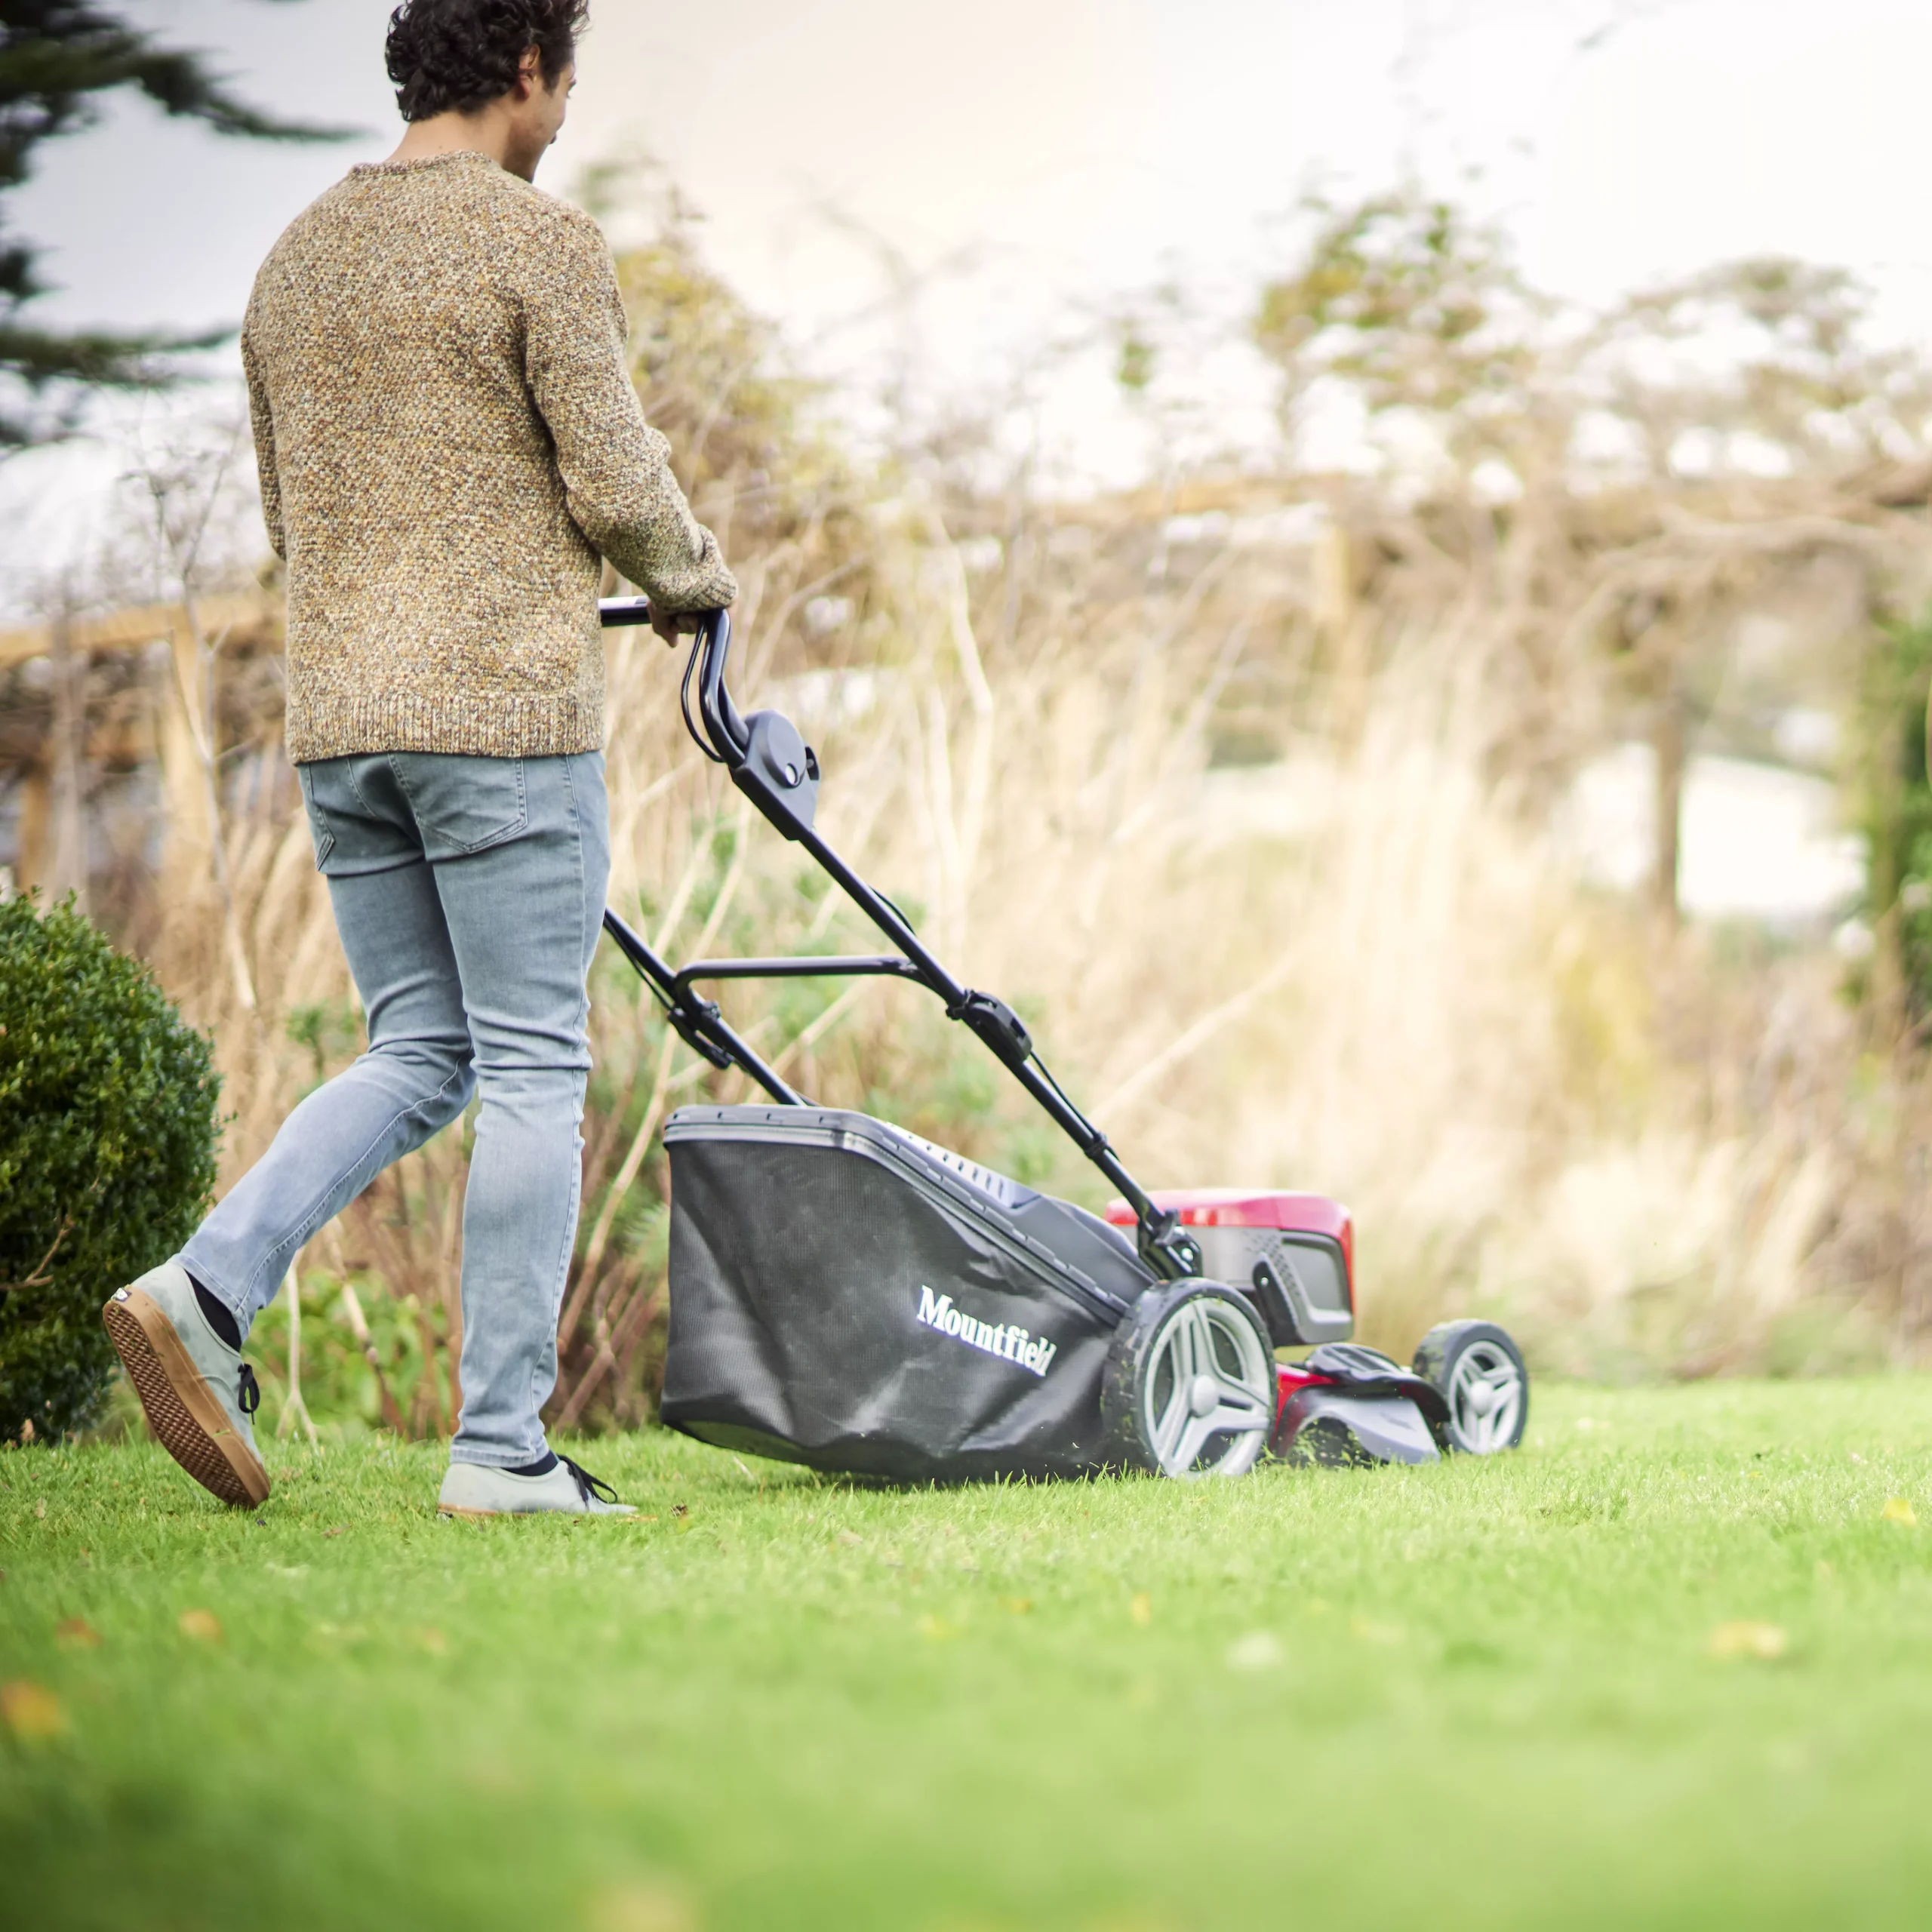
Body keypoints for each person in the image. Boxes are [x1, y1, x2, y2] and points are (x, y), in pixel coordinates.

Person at [102, 0, 734, 1518]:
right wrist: (694, 579)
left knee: (421, 1048)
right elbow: (613, 470)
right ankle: (503, 1449)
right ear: (525, 68)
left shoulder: (292, 261)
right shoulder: (537, 242)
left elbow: (283, 508)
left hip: (342, 724)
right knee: (526, 1058)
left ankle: (205, 1285)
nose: (567, 108)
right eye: (566, 77)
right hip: (499, 718)